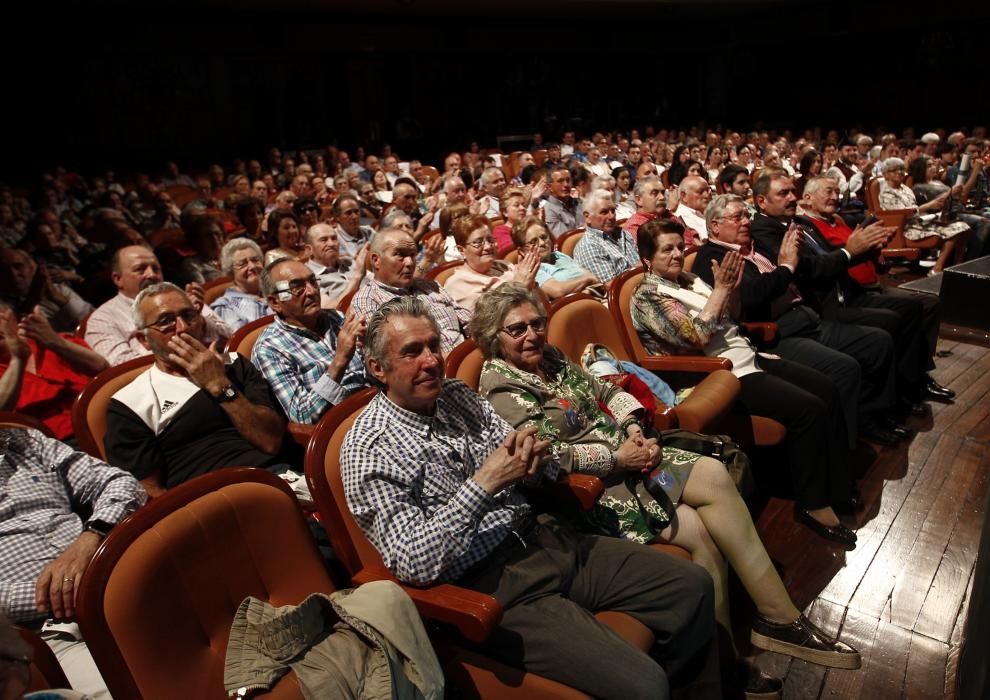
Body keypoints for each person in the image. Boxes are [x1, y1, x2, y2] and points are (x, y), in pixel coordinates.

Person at [475, 284, 860, 692]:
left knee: (711, 476)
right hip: (587, 491)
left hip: (628, 461)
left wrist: (631, 427)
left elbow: (604, 389)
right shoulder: (501, 387)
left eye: (537, 323)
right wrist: (618, 458)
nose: (532, 334)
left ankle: (769, 623)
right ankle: (738, 651)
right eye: (517, 329)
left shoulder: (550, 358)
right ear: (492, 336)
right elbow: (548, 459)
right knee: (698, 531)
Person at [341, 295, 722, 699]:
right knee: (644, 685)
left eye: (434, 345)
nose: (432, 361)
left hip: (543, 536)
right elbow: (412, 562)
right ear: (377, 368)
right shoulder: (369, 448)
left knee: (692, 585)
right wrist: (482, 485)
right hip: (491, 587)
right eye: (412, 352)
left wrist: (539, 459)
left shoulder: (457, 396)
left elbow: (521, 455)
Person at [631, 220, 859, 543]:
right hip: (716, 374)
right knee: (809, 409)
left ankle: (836, 485)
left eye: (680, 247)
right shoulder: (647, 296)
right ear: (646, 258)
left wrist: (733, 291)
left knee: (828, 388)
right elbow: (696, 336)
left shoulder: (690, 279)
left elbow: (730, 318)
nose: (677, 254)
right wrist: (721, 290)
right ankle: (813, 504)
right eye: (667, 249)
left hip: (744, 354)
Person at [694, 195, 899, 448]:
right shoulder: (714, 257)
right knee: (844, 368)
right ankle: (843, 446)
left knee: (878, 341)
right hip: (775, 332)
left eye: (747, 216)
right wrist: (786, 268)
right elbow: (751, 296)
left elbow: (797, 269)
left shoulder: (755, 246)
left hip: (806, 317)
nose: (746, 222)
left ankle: (869, 418)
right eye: (737, 218)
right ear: (715, 225)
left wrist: (794, 263)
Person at [0, 426, 147, 699]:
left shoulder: (25, 442)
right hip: (46, 634)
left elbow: (120, 482)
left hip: (115, 587)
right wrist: (59, 592)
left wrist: (92, 537)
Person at [104, 283, 290, 496]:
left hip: (275, 477)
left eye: (189, 315)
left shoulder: (234, 364)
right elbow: (147, 491)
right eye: (166, 322)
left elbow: (271, 441)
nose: (182, 327)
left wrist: (219, 384)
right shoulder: (130, 402)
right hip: (208, 501)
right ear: (143, 340)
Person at [799, 176, 954, 407]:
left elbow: (874, 261)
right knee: (906, 313)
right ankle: (909, 382)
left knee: (930, 304)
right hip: (854, 291)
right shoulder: (807, 227)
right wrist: (858, 248)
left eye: (836, 191)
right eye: (828, 191)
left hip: (874, 285)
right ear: (808, 198)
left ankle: (919, 372)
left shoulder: (839, 220)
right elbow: (835, 261)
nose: (835, 196)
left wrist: (876, 249)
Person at [251, 259, 369, 424]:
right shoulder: (269, 349)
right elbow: (302, 417)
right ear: (275, 302)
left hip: (375, 402)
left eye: (313, 281)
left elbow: (372, 374)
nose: (312, 291)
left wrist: (371, 353)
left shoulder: (336, 318)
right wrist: (340, 360)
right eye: (297, 287)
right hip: (341, 427)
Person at [85, 245, 229, 366]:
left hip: (218, 363)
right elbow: (123, 368)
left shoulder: (180, 297)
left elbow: (230, 336)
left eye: (156, 268)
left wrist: (199, 320)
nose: (151, 275)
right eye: (140, 269)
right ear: (118, 279)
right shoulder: (102, 319)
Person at [349, 228, 471, 354]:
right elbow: (386, 355)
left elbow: (469, 324)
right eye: (400, 255)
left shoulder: (431, 286)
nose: (410, 262)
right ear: (376, 260)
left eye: (413, 255)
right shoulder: (367, 300)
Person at [0, 304, 107, 440]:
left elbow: (101, 368)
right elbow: (1, 415)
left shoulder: (50, 340)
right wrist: (18, 360)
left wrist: (55, 342)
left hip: (105, 416)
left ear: (13, 319)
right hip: (59, 443)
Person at [878, 158, 970, 273]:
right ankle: (937, 268)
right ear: (885, 174)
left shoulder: (905, 189)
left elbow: (915, 210)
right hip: (905, 229)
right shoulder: (886, 193)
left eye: (901, 169)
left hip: (919, 223)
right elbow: (902, 213)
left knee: (963, 228)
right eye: (894, 170)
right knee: (954, 231)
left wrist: (932, 214)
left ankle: (957, 267)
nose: (899, 172)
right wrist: (928, 206)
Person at [442, 215, 540, 312]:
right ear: (461, 250)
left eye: (490, 239)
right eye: (478, 242)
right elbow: (485, 321)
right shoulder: (458, 285)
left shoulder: (503, 266)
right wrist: (519, 287)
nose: (488, 246)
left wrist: (531, 283)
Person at [0, 248, 92, 334]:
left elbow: (92, 319)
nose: (13, 274)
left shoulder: (58, 289)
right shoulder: (4, 310)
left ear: (32, 268)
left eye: (18, 266)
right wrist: (31, 301)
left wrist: (58, 298)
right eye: (4, 270)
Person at [511, 217, 602, 299]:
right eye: (533, 242)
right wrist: (586, 281)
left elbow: (592, 277)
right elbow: (558, 291)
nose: (542, 243)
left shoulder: (558, 255)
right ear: (522, 251)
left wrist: (587, 287)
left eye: (544, 237)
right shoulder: (533, 270)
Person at [573, 189, 640, 284]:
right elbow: (612, 286)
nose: (611, 216)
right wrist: (641, 269)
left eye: (613, 210)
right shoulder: (589, 246)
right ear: (587, 217)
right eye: (604, 212)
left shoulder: (622, 233)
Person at [209, 238, 270, 331]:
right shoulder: (225, 306)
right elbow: (245, 340)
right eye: (243, 264)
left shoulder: (275, 288)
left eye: (255, 260)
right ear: (230, 272)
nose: (252, 266)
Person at [303, 222, 368, 309]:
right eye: (323, 240)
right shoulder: (309, 277)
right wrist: (357, 276)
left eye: (334, 238)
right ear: (309, 249)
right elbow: (330, 309)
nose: (331, 244)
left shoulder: (349, 262)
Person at [179, 214, 225, 285]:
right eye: (208, 236)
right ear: (197, 241)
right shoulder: (192, 264)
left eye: (217, 234)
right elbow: (203, 290)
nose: (215, 239)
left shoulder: (232, 254)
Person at [541, 165, 582, 237]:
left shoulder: (578, 202)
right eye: (560, 181)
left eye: (568, 180)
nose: (566, 184)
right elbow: (565, 240)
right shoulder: (549, 210)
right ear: (549, 187)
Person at [673, 176, 713, 245]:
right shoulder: (683, 220)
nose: (707, 195)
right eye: (700, 192)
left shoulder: (703, 211)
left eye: (708, 190)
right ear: (684, 196)